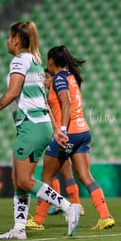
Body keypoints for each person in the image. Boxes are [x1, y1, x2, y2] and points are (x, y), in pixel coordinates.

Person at [0, 21, 80, 240]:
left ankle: (69, 207)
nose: (6, 41)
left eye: (8, 37)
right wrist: (54, 129)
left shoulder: (19, 61)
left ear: (16, 40)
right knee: (17, 178)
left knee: (24, 180)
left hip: (30, 125)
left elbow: (12, 93)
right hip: (37, 124)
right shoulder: (36, 62)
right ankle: (19, 229)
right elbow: (43, 99)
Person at [27, 46, 115, 230]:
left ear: (51, 61)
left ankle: (38, 220)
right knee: (85, 176)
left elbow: (66, 102)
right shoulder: (71, 77)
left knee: (46, 175)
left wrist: (63, 130)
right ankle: (105, 216)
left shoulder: (59, 78)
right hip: (83, 131)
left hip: (69, 134)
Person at [43, 69, 84, 217]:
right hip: (59, 134)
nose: (44, 81)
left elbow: (65, 107)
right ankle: (61, 203)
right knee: (56, 173)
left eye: (47, 77)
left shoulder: (55, 95)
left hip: (62, 135)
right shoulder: (51, 95)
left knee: (62, 172)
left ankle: (74, 204)